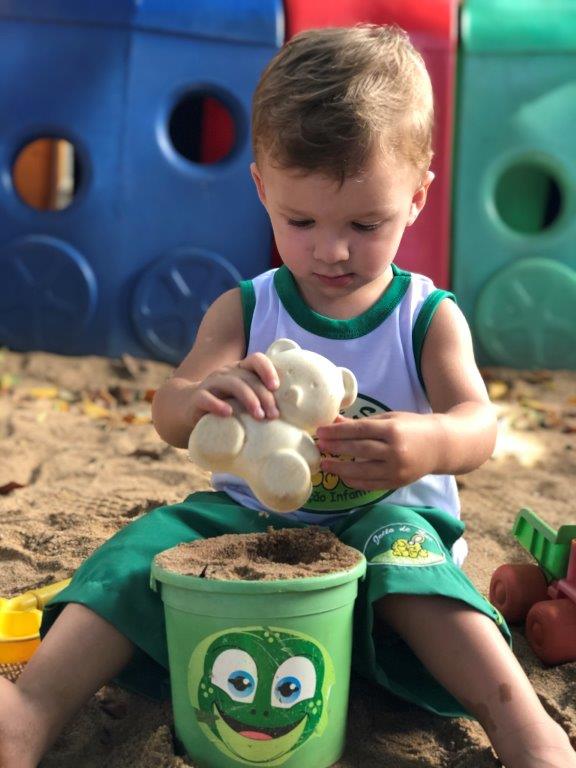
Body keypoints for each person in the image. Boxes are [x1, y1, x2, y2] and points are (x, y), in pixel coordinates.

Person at [1, 25, 574, 768]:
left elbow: (479, 425)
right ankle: (31, 710)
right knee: (144, 548)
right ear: (262, 188)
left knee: (413, 567)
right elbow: (169, 411)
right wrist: (202, 397)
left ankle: (519, 722)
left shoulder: (426, 317)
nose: (331, 250)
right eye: (300, 222)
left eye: (365, 224)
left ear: (417, 197)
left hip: (389, 522)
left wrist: (425, 444)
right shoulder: (246, 309)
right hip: (252, 518)